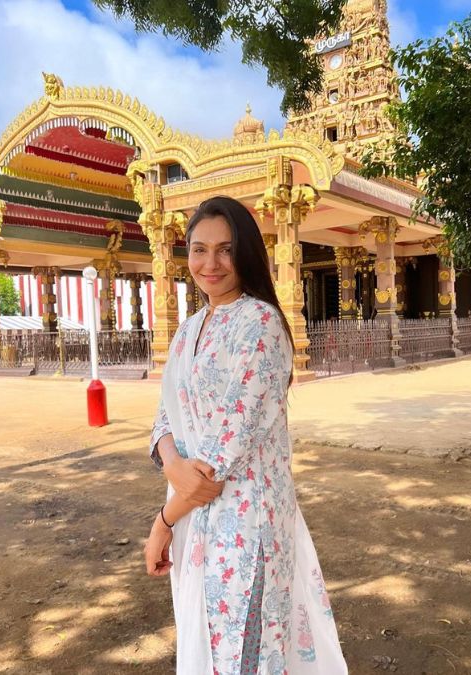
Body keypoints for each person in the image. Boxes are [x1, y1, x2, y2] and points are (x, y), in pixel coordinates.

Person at [143, 196, 345, 674]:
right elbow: (162, 421)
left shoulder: (261, 326)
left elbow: (216, 462)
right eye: (198, 249)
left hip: (247, 527)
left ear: (248, 253)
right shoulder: (188, 330)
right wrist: (173, 466)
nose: (209, 263)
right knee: (206, 645)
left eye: (225, 250)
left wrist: (163, 523)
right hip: (197, 522)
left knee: (245, 655)